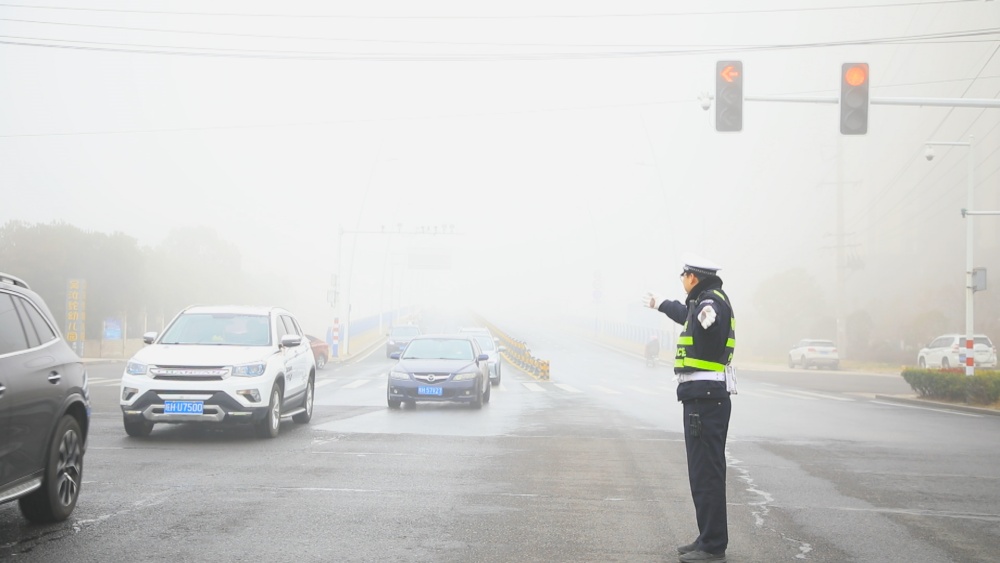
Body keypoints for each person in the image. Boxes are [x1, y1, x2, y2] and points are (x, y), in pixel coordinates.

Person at [643, 253, 735, 563]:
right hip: (702, 398)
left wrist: (709, 317)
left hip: (706, 399)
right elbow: (687, 314)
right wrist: (661, 304)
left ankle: (712, 545)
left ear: (692, 277)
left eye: (683, 276)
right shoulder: (702, 302)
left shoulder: (712, 302)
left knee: (706, 473)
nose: (682, 281)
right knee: (701, 473)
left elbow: (710, 315)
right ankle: (706, 536)